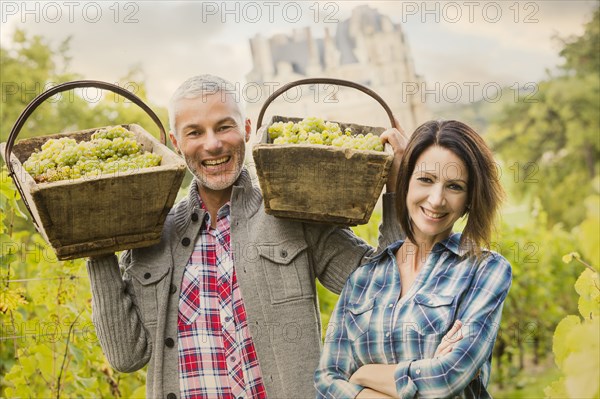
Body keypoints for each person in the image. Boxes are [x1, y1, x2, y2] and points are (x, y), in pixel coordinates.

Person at [86, 74, 407, 399]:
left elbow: (383, 289)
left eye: (224, 126)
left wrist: (395, 192)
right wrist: (93, 244)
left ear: (248, 129)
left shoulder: (291, 214)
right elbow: (127, 357)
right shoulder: (155, 234)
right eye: (195, 132)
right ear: (176, 142)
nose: (212, 144)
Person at [314, 120, 512, 398]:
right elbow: (326, 381)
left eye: (454, 186)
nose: (436, 200)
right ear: (405, 183)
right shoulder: (363, 279)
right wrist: (422, 370)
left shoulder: (486, 271)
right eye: (426, 180)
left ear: (470, 198)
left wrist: (363, 375)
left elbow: (446, 377)